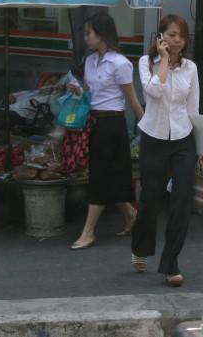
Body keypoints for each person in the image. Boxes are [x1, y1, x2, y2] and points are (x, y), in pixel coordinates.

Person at [132, 14, 199, 287]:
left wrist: (201, 146)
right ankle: (140, 246)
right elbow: (153, 93)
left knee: (182, 198)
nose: (177, 40)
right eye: (172, 35)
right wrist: (163, 61)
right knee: (151, 198)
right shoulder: (145, 62)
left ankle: (171, 263)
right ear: (160, 37)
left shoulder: (190, 68)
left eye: (181, 36)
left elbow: (194, 107)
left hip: (183, 136)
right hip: (154, 135)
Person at [70, 14, 144, 250]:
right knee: (109, 175)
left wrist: (147, 128)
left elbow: (132, 100)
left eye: (88, 33)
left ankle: (88, 232)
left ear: (101, 34)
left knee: (101, 178)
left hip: (113, 125)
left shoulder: (120, 63)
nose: (85, 38)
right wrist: (78, 91)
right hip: (94, 123)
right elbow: (89, 93)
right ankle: (130, 213)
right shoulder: (90, 61)